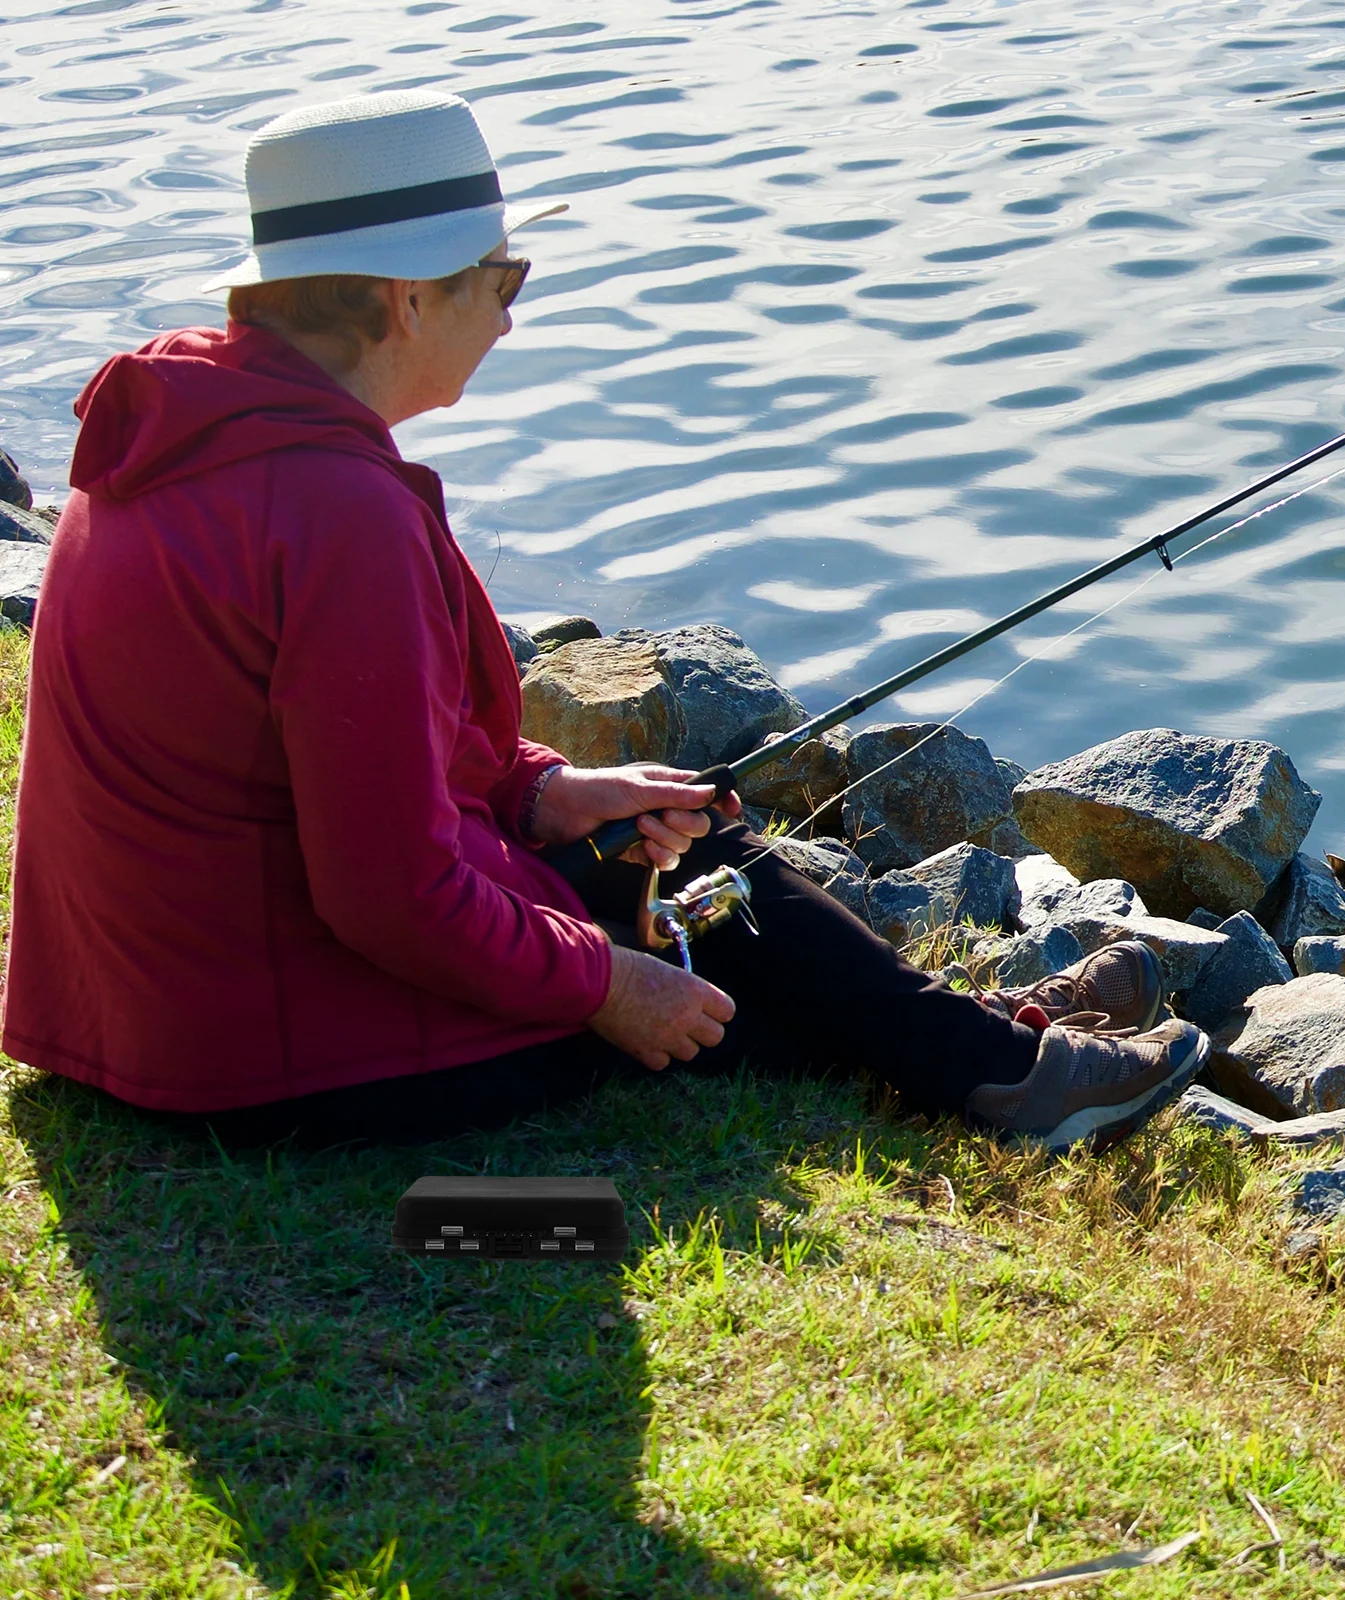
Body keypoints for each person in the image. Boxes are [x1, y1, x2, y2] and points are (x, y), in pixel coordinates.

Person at [0, 90, 1208, 1151]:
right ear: (406, 299)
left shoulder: (181, 427)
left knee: (661, 850)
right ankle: (1003, 1068)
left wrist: (540, 794)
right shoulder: (332, 512)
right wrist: (603, 986)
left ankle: (988, 1045)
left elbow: (325, 751)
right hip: (261, 1048)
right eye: (502, 280)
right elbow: (384, 895)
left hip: (143, 993)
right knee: (710, 943)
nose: (513, 315)